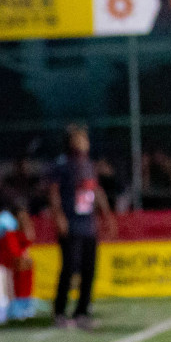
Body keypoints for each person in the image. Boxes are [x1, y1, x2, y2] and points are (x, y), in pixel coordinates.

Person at [48, 124, 117, 329]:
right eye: (79, 138)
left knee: (89, 269)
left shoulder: (88, 165)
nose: (83, 141)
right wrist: (59, 216)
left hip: (88, 226)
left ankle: (82, 311)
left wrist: (106, 216)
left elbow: (96, 191)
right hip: (71, 224)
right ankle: (60, 311)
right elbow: (53, 192)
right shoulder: (62, 165)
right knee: (69, 268)